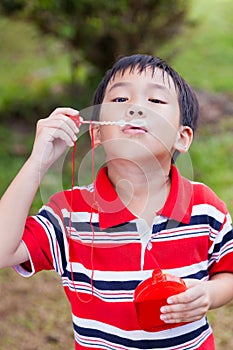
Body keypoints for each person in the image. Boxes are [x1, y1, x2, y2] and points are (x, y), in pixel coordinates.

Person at [0, 54, 233, 350]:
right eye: (121, 99)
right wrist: (38, 161)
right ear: (97, 132)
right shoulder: (70, 215)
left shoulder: (205, 207)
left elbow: (228, 272)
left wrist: (210, 294)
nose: (136, 108)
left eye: (156, 102)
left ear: (182, 138)